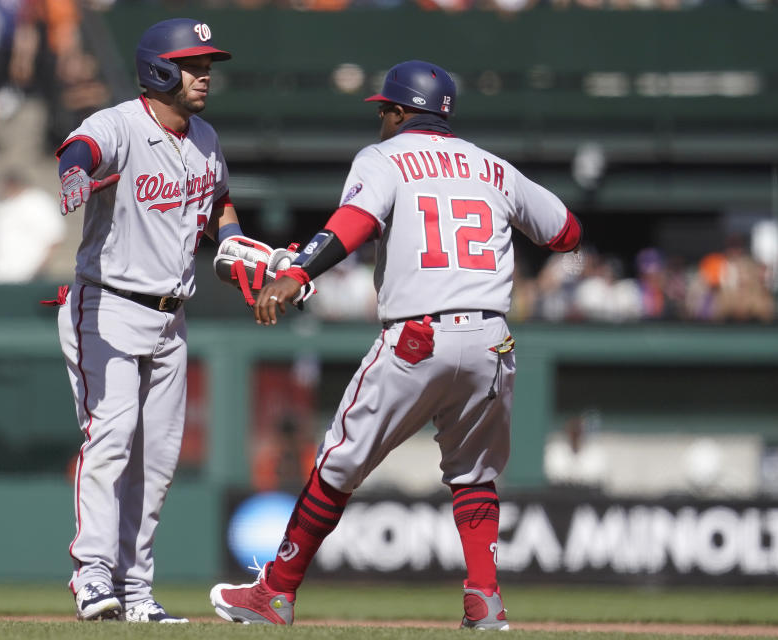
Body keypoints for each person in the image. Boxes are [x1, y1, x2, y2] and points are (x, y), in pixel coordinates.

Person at [209, 60, 582, 629]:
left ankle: (276, 592)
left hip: (418, 334)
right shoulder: (494, 167)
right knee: (474, 475)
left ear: (404, 111)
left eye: (386, 108)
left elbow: (353, 221)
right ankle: (484, 600)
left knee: (337, 463)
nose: (381, 117)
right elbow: (566, 233)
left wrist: (299, 272)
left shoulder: (382, 158)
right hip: (491, 340)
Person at [53, 18, 247, 623]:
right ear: (160, 69)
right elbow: (79, 148)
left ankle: (136, 592)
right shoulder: (121, 123)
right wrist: (76, 173)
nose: (205, 74)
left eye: (208, 64)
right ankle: (91, 578)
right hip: (106, 305)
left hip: (170, 318)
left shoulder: (206, 136)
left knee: (158, 463)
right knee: (109, 441)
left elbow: (217, 204)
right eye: (194, 64)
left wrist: (234, 241)